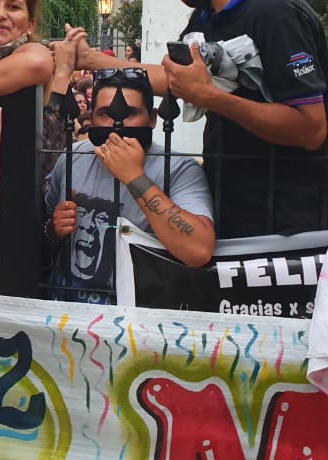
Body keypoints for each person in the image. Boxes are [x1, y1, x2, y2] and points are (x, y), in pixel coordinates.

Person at [81, 0, 328, 237]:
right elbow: (176, 80)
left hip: (283, 220)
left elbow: (311, 128)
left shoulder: (277, 14)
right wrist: (95, 61)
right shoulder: (207, 16)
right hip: (229, 201)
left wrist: (210, 98)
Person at [45, 67, 216, 302]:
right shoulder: (73, 157)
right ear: (91, 116)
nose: (117, 122)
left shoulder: (179, 169)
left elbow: (198, 250)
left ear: (153, 118)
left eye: (131, 112)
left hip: (138, 320)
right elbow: (40, 232)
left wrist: (134, 177)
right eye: (104, 113)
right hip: (65, 313)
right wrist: (54, 230)